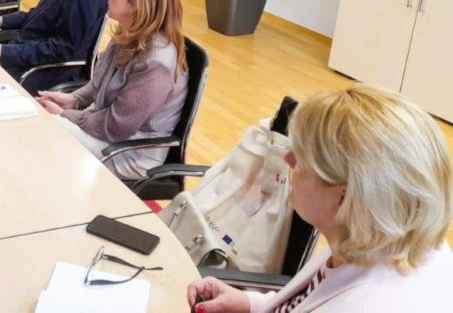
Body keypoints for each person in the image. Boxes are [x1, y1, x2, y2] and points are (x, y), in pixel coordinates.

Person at [186, 85, 453, 313]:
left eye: (302, 158)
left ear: (344, 198)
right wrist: (251, 303)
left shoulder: (366, 304)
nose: (289, 160)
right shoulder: (388, 236)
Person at [36, 0, 188, 179]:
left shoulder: (156, 62)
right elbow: (100, 82)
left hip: (130, 150)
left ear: (135, 3)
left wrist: (64, 115)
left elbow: (116, 126)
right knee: (39, 124)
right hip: (104, 128)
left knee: (44, 130)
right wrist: (74, 100)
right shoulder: (128, 32)